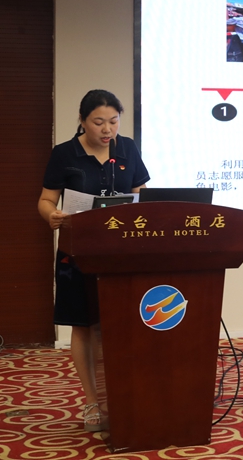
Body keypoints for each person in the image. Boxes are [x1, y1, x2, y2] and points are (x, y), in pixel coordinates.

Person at [38, 90, 150, 432]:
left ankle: (124, 394)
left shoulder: (127, 148)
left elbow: (142, 193)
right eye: (98, 122)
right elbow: (45, 200)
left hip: (122, 252)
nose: (107, 130)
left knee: (122, 324)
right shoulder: (64, 154)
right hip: (78, 252)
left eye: (113, 122)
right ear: (83, 121)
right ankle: (91, 401)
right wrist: (52, 215)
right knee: (84, 325)